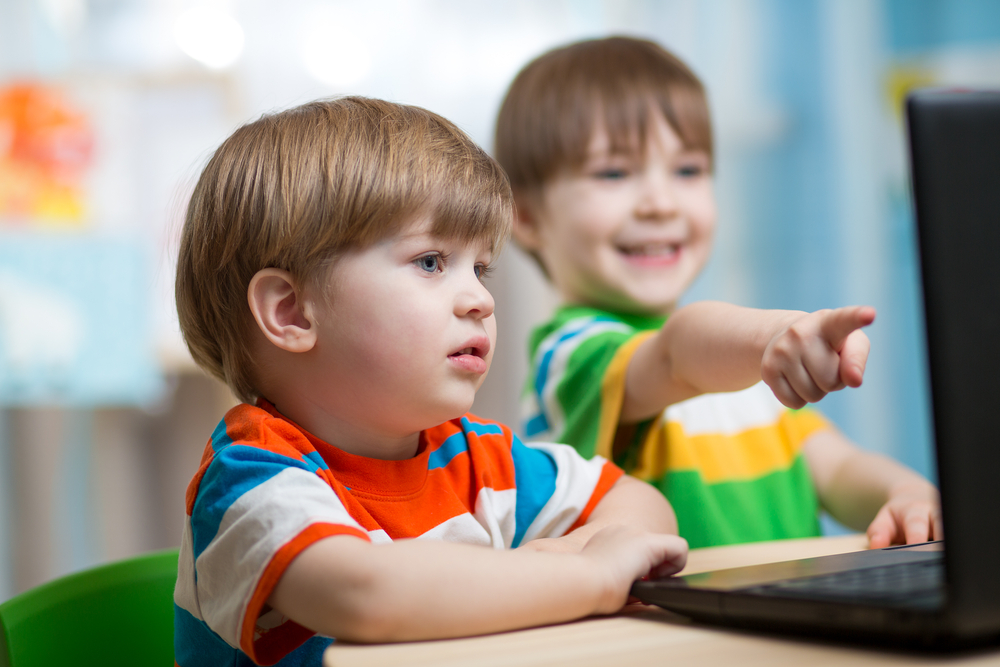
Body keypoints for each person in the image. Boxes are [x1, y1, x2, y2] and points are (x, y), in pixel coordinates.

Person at [171, 96, 689, 666]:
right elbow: (370, 595)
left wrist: (567, 559)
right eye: (431, 262)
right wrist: (584, 575)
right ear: (292, 312)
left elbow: (639, 504)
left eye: (480, 267)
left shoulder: (476, 457)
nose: (481, 299)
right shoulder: (250, 480)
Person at [493, 36, 942, 551]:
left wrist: (909, 493)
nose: (660, 203)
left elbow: (838, 468)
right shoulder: (568, 358)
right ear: (525, 217)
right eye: (613, 172)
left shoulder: (744, 363)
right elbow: (676, 355)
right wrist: (771, 335)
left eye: (687, 170)